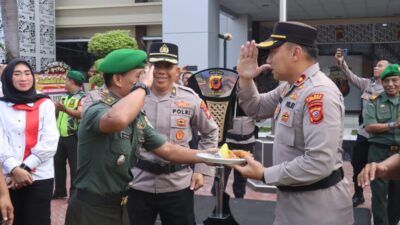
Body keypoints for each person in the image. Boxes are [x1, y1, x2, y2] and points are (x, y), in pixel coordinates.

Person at [64, 48, 216, 225]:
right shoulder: (97, 108)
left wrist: (209, 157)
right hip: (93, 210)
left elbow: (167, 150)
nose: (146, 81)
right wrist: (142, 87)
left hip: (123, 204)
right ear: (118, 79)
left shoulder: (138, 116)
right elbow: (118, 118)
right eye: (139, 76)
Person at [232, 21, 353, 225]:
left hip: (317, 210)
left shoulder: (318, 93)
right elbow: (255, 108)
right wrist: (245, 78)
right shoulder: (291, 87)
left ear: (295, 53)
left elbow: (318, 162)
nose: (268, 60)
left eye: (273, 52)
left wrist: (264, 174)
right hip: (293, 203)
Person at [127, 42, 218, 225]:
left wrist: (201, 170)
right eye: (156, 66)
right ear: (147, 68)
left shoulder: (190, 98)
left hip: (177, 184)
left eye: (167, 66)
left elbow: (210, 131)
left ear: (176, 70)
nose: (161, 71)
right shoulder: (133, 96)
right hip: (138, 182)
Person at [0, 58, 59, 225]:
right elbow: (0, 141)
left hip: (40, 177)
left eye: (27, 73)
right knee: (11, 220)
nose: (23, 78)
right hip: (8, 179)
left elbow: (50, 140)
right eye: (17, 74)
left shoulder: (45, 103)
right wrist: (13, 169)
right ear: (8, 78)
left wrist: (23, 169)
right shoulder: (1, 106)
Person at [335, 49, 388, 206]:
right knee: (357, 163)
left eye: (380, 66)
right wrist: (341, 63)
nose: (375, 67)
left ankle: (380, 197)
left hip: (381, 136)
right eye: (376, 65)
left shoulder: (392, 88)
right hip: (364, 133)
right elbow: (352, 77)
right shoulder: (368, 84)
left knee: (379, 168)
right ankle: (359, 194)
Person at [362, 63, 400, 225]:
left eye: (395, 80)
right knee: (379, 195)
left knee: (397, 196)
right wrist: (393, 125)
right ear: (382, 83)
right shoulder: (374, 101)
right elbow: (369, 126)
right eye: (386, 81)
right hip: (378, 152)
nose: (390, 84)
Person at [53, 70, 85, 199]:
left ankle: (74, 195)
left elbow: (81, 113)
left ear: (72, 81)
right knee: (58, 164)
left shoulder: (83, 97)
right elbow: (59, 114)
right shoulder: (64, 96)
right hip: (60, 136)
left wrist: (65, 109)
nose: (64, 82)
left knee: (75, 168)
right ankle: (60, 191)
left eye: (66, 80)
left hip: (74, 137)